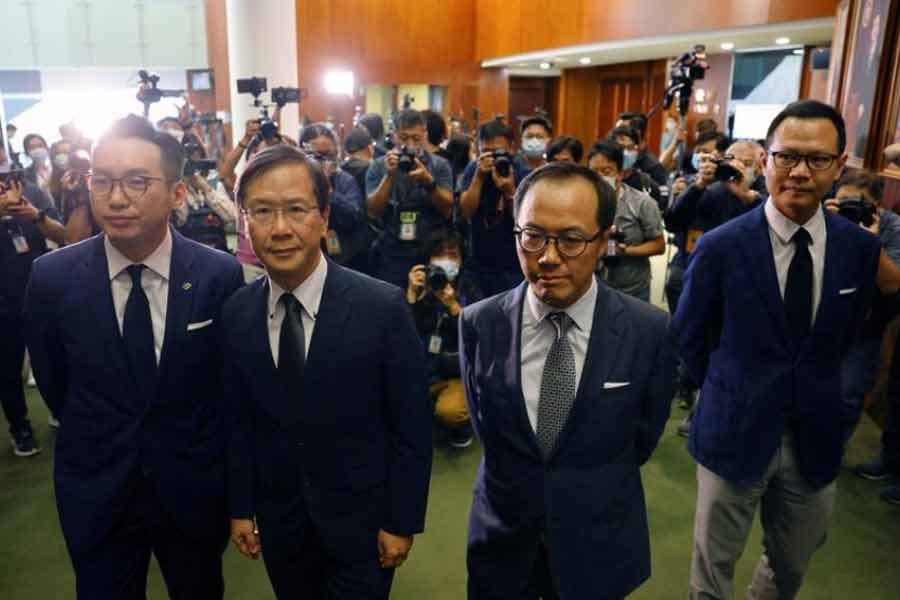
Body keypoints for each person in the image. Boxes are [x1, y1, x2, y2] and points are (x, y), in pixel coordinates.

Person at [673, 100, 900, 600]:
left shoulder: (859, 250)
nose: (799, 171)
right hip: (734, 426)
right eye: (786, 156)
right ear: (766, 160)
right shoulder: (720, 246)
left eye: (817, 159)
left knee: (792, 562)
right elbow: (690, 337)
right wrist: (734, 382)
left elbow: (859, 329)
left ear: (840, 166)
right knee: (713, 568)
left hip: (815, 433)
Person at [24, 114, 244, 599]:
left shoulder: (217, 275)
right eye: (101, 181)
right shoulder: (52, 278)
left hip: (191, 488)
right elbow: (56, 384)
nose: (116, 198)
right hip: (97, 486)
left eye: (137, 182)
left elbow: (224, 390)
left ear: (178, 192)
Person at [224, 144, 432, 599]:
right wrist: (240, 506)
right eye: (261, 211)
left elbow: (411, 428)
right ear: (244, 221)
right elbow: (239, 421)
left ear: (323, 217)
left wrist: (401, 521)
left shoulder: (381, 307)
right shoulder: (237, 313)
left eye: (296, 209)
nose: (280, 229)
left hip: (363, 526)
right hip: (281, 525)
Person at [460, 162, 675, 599]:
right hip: (503, 543)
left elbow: (642, 437)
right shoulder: (479, 323)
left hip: (597, 544)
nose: (548, 257)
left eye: (572, 240)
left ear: (603, 240)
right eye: (532, 236)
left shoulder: (648, 330)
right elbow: (490, 431)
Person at [825, 171, 900, 505]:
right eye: (845, 203)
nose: (850, 209)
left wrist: (869, 243)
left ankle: (830, 452)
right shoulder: (822, 219)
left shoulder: (892, 229)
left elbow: (892, 285)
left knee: (847, 393)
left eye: (859, 204)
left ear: (876, 206)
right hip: (822, 319)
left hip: (865, 327)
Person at [1, 150, 66, 456]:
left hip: (39, 293)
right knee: (8, 368)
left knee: (53, 357)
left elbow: (63, 234)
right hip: (3, 304)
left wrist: (35, 215)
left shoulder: (31, 188)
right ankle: (20, 427)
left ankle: (59, 407)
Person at [365, 108, 454, 288]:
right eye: (404, 138)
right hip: (392, 251)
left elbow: (448, 209)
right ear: (394, 136)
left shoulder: (439, 165)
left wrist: (429, 182)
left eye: (416, 138)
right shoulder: (378, 166)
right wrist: (389, 176)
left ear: (425, 134)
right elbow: (372, 211)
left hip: (431, 249)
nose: (410, 145)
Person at [406, 232, 475, 448]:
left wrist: (453, 306)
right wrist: (411, 297)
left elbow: (478, 336)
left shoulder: (469, 286)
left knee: (451, 412)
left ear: (461, 260)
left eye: (452, 254)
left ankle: (462, 426)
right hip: (425, 369)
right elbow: (400, 336)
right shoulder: (421, 287)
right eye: (439, 255)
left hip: (456, 372)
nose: (446, 259)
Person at [458, 119, 528, 297]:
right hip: (479, 265)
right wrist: (479, 177)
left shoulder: (523, 173)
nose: (493, 158)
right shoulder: (473, 169)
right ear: (479, 149)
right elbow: (466, 212)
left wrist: (510, 191)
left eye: (498, 152)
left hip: (513, 267)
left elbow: (526, 223)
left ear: (511, 147)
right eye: (486, 152)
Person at [588, 141, 665, 302]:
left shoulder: (642, 203)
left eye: (607, 171)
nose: (601, 177)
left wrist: (626, 250)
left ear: (621, 174)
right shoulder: (582, 202)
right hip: (592, 287)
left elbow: (659, 245)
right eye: (595, 172)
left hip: (632, 289)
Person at [608, 126, 663, 209]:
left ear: (637, 150)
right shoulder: (603, 181)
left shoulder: (647, 185)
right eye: (621, 148)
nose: (625, 153)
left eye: (630, 148)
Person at [615, 112, 668, 185]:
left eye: (622, 131)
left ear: (637, 133)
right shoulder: (612, 160)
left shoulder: (653, 168)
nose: (616, 136)